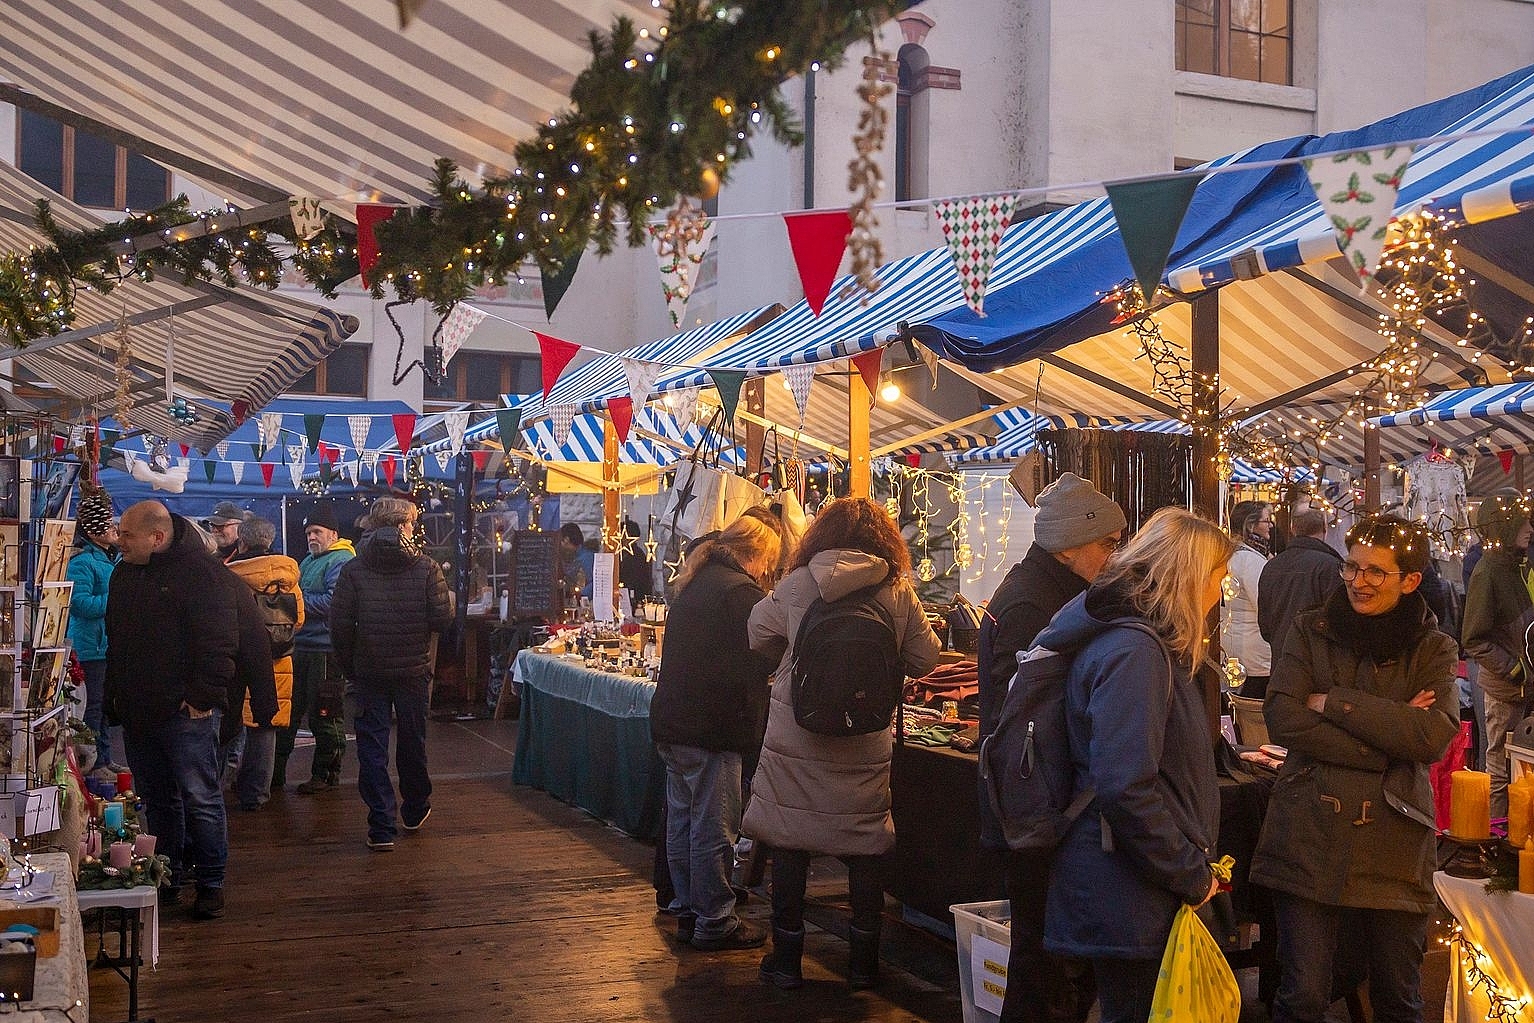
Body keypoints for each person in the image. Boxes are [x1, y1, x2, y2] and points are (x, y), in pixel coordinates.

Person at [1031, 507, 1235, 1023]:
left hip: (1129, 884)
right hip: (1128, 889)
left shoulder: (1139, 643)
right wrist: (1189, 874)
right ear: (1189, 577)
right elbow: (1125, 785)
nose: (1221, 591)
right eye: (1218, 576)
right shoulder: (1135, 650)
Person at [1252, 515, 1459, 1023]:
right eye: (1351, 567)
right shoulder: (1309, 628)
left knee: (1398, 997)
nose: (1357, 582)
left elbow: (1432, 735)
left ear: (1410, 581)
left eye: (1375, 573)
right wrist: (1389, 735)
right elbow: (1283, 717)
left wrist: (1335, 702)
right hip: (1309, 832)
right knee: (1302, 995)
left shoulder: (1433, 647)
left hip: (1395, 837)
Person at [744, 497, 941, 990]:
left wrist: (791, 655)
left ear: (820, 536)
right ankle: (863, 964)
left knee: (790, 843)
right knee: (864, 847)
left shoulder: (797, 584)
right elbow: (925, 659)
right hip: (865, 738)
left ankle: (787, 961)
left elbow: (754, 633)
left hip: (797, 737)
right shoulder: (896, 592)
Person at [976, 472, 1126, 1023]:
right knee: (1041, 957)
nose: (1115, 555)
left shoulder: (1049, 593)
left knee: (1044, 954)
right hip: (1033, 806)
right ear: (1070, 544)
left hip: (1034, 802)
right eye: (1108, 542)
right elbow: (1024, 718)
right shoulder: (1034, 603)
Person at [649, 515, 781, 950]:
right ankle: (715, 920)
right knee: (714, 827)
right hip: (712, 726)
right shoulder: (743, 594)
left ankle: (688, 906)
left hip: (674, 721)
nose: (768, 571)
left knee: (684, 821)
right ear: (757, 553)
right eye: (770, 561)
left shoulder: (698, 581)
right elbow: (764, 656)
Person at [106, 500, 238, 920]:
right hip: (138, 710)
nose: (118, 540)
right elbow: (119, 641)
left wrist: (201, 698)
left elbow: (219, 641)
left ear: (157, 537)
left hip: (184, 712)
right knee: (158, 801)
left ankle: (212, 882)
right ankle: (169, 874)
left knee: (200, 796)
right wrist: (117, 700)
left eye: (126, 534)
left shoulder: (200, 574)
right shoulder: (124, 572)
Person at [330, 497, 451, 851]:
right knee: (413, 740)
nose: (414, 528)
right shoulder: (426, 567)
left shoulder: (354, 568)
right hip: (413, 670)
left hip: (368, 671)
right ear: (401, 526)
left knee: (372, 747)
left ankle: (381, 824)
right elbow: (442, 620)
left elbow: (339, 624)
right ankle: (414, 808)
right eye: (412, 523)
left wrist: (350, 665)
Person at [1460, 489, 1533, 819]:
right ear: (1505, 526)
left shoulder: (1517, 566)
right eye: (1523, 523)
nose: (1530, 529)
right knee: (1500, 769)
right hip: (1506, 689)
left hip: (1525, 685)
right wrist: (1514, 669)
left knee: (1521, 765)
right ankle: (1497, 839)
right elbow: (1473, 639)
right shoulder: (1487, 573)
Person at [224, 517, 304, 811]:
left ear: (241, 542)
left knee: (228, 724)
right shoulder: (288, 575)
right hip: (278, 661)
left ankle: (221, 787)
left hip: (236, 662)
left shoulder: (230, 574)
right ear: (269, 541)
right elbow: (299, 619)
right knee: (265, 726)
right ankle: (257, 794)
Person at [278, 504, 355, 794]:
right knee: (290, 711)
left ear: (333, 534)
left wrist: (294, 602)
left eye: (317, 531)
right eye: (309, 532)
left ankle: (326, 774)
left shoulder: (342, 560)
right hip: (301, 647)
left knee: (324, 714)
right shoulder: (309, 560)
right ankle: (275, 775)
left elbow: (334, 603)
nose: (312, 536)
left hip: (325, 651)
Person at [66, 486, 123, 778]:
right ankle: (93, 763)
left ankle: (104, 757)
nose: (115, 528)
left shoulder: (110, 558)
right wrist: (116, 599)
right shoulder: (82, 562)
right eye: (108, 523)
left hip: (106, 645)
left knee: (103, 706)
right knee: (92, 707)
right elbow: (79, 603)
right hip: (89, 646)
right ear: (92, 530)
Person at [1257, 506, 1342, 672]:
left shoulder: (1272, 566)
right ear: (1324, 529)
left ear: (1293, 529)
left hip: (1281, 660)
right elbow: (1338, 619)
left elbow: (1264, 625)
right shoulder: (1330, 566)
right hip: (1320, 665)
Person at [1223, 500, 1273, 696]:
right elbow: (1264, 605)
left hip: (1237, 648)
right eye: (1266, 521)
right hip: (1253, 653)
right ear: (1251, 525)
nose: (1270, 525)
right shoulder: (1249, 560)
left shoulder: (1233, 554)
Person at [559, 522, 595, 602]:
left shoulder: (586, 558)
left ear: (566, 540)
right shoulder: (570, 556)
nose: (560, 545)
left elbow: (594, 583)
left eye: (561, 541)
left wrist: (579, 594)